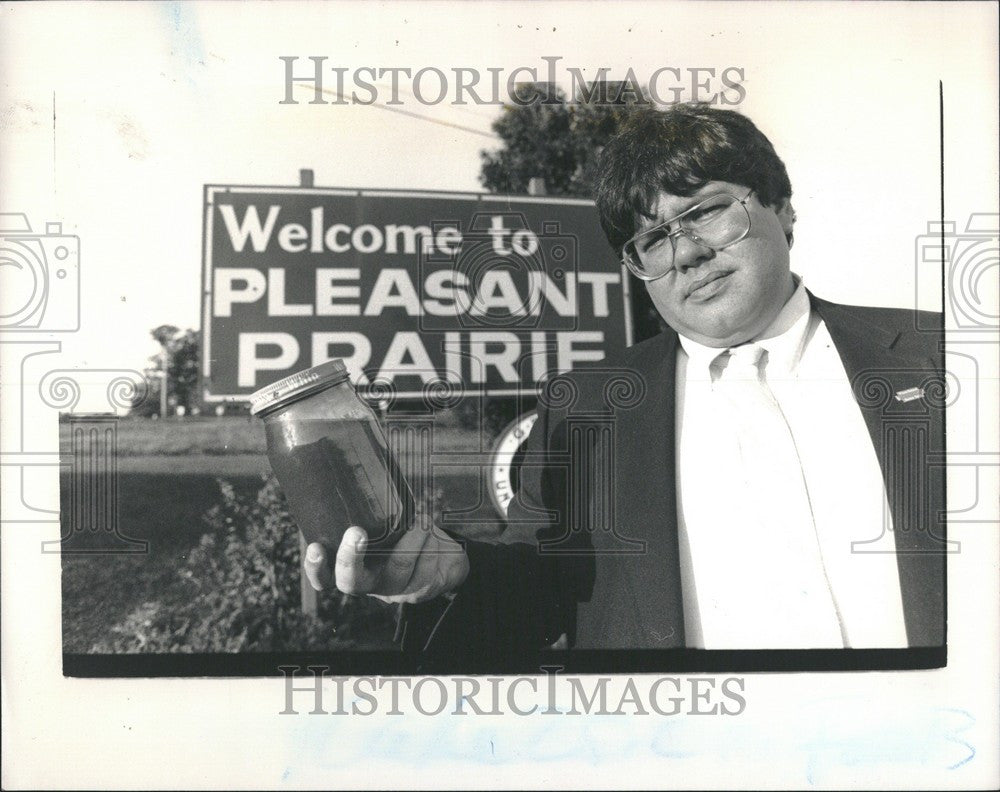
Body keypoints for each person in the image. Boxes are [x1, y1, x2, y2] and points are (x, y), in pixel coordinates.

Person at [302, 104, 946, 668]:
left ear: (780, 206)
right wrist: (450, 578)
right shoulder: (583, 411)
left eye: (707, 212)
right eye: (652, 238)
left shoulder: (944, 357)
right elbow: (536, 594)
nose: (686, 253)